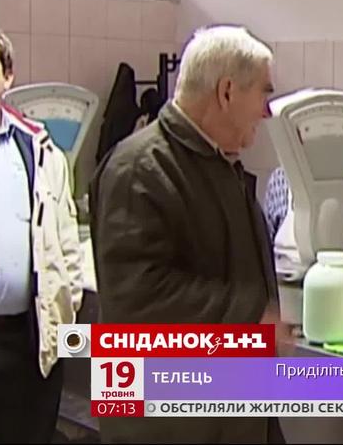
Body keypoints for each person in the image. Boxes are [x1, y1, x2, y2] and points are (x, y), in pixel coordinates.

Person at [89, 25, 286, 443]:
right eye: (263, 93)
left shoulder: (216, 165)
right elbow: (138, 296)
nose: (267, 112)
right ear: (227, 92)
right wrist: (251, 314)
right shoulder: (139, 169)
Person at [0, 24, 84, 443]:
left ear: (8, 75)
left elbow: (66, 243)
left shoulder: (41, 152)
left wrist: (64, 311)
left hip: (27, 344)